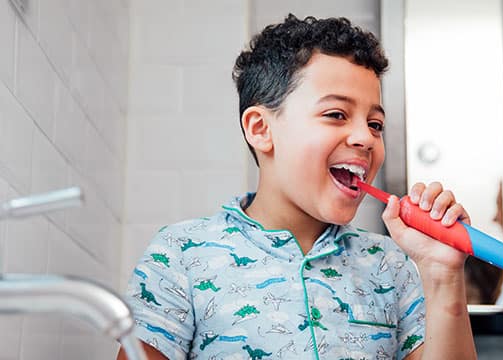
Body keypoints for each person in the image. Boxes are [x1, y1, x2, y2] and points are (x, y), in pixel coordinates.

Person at [117, 14, 477, 360]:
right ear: (260, 129)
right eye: (336, 114)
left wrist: (443, 276)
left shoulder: (389, 265)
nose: (365, 138)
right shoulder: (181, 254)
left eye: (375, 124)